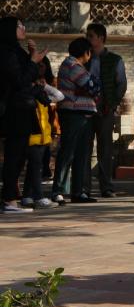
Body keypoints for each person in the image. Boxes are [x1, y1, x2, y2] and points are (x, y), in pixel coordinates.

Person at [0, 17, 47, 213]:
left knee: (19, 156)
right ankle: (9, 200)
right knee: (14, 155)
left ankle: (11, 198)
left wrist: (32, 57)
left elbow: (29, 76)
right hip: (13, 110)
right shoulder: (6, 52)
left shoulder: (15, 51)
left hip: (22, 109)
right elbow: (19, 80)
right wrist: (33, 62)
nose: (24, 29)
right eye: (20, 26)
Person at [52, 37, 102, 204]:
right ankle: (58, 190)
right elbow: (93, 87)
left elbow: (92, 88)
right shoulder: (73, 65)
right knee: (68, 152)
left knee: (81, 153)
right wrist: (91, 87)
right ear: (86, 52)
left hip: (83, 113)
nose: (90, 56)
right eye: (90, 53)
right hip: (74, 113)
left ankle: (78, 192)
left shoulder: (76, 66)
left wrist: (90, 88)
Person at [85, 23, 127, 198]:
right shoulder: (83, 58)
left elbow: (121, 84)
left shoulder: (115, 59)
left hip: (105, 109)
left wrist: (113, 103)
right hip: (85, 109)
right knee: (85, 149)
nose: (88, 39)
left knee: (106, 149)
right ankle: (83, 187)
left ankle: (106, 186)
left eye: (91, 36)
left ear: (101, 38)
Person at [23, 58, 64, 209]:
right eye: (37, 66)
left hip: (43, 135)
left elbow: (59, 96)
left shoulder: (42, 91)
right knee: (36, 166)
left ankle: (27, 196)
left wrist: (45, 85)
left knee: (34, 166)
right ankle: (38, 197)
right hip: (31, 134)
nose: (40, 69)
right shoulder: (25, 88)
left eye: (42, 65)